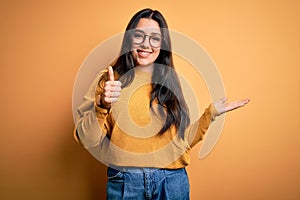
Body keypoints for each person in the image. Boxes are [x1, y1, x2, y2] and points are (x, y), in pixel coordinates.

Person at [74, 8, 249, 200]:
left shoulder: (169, 81)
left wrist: (211, 113)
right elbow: (87, 139)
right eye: (139, 36)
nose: (146, 44)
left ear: (162, 44)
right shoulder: (108, 81)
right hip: (126, 182)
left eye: (154, 38)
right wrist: (103, 105)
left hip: (172, 181)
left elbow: (181, 144)